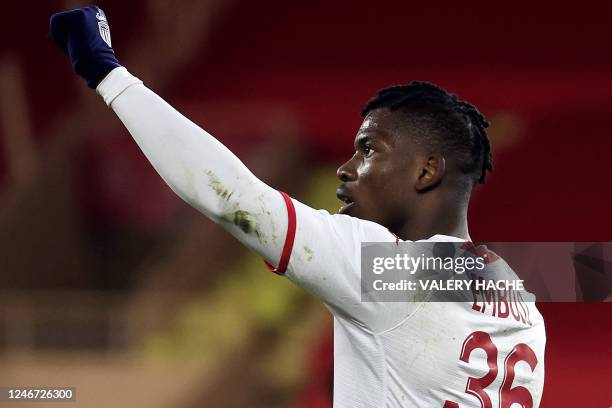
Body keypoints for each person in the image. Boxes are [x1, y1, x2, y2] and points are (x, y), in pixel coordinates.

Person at [49, 6, 546, 407]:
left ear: (426, 171)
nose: (346, 169)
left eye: (370, 150)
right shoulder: (521, 303)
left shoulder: (385, 267)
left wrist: (105, 72)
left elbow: (231, 197)